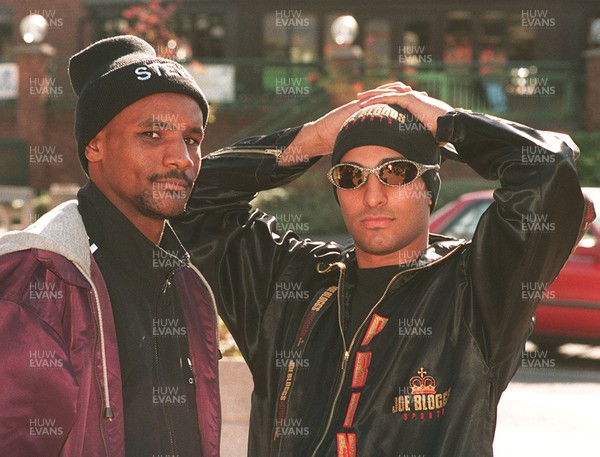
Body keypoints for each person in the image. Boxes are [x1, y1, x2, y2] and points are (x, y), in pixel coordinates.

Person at [174, 82, 595, 456]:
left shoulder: (477, 289)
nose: (372, 196)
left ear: (429, 188)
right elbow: (188, 202)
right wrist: (313, 138)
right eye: (350, 175)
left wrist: (450, 123)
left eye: (397, 173)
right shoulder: (288, 283)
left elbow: (547, 169)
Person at [0, 35, 221, 456]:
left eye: (192, 139)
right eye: (152, 134)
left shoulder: (188, 282)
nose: (182, 158)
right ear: (94, 146)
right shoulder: (41, 278)